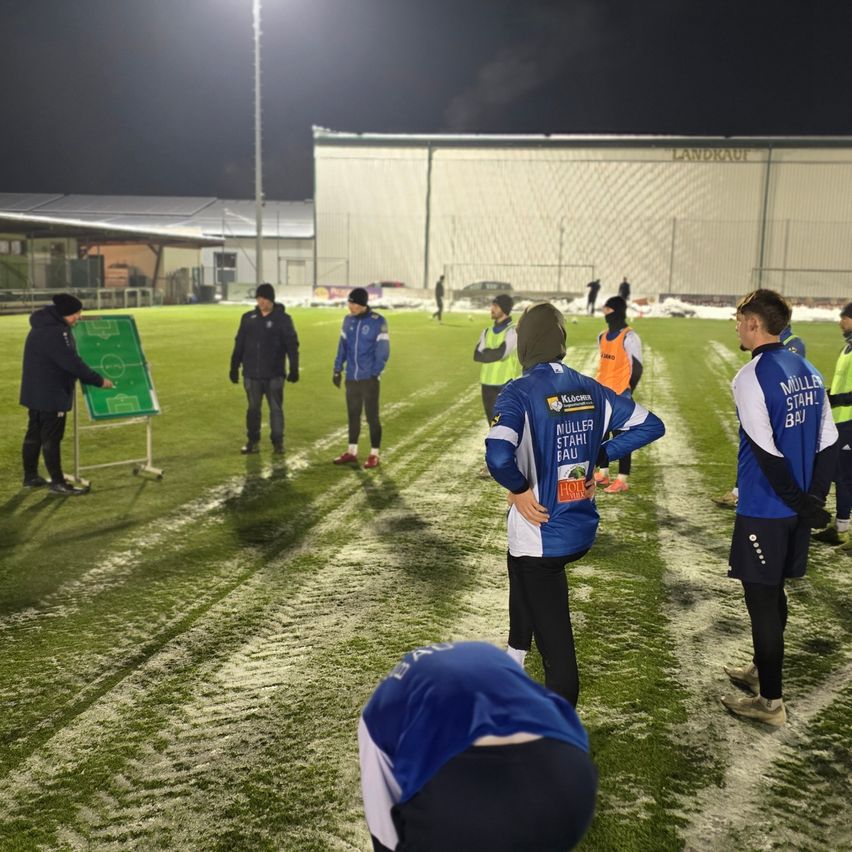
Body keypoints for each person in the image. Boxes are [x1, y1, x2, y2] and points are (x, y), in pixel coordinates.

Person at [485, 303, 664, 705]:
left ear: (525, 343)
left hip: (543, 530)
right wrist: (601, 455)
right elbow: (651, 424)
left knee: (558, 648)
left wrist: (517, 488)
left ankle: (560, 741)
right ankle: (514, 656)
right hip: (578, 526)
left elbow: (498, 454)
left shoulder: (519, 390)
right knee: (520, 566)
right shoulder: (590, 387)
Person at [721, 289, 837, 727]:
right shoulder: (806, 367)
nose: (736, 327)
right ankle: (761, 668)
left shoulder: (750, 376)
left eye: (739, 320)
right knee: (775, 593)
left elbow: (766, 453)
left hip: (767, 509)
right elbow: (828, 441)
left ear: (754, 323)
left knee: (762, 600)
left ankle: (770, 702)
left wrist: (800, 504)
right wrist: (812, 501)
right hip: (796, 509)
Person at [359, 641, 597, 852]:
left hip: (468, 799)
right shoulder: (488, 655)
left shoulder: (378, 709)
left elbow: (384, 828)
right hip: (570, 777)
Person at [20, 293, 114, 496]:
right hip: (51, 394)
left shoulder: (39, 327)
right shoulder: (57, 333)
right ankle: (58, 483)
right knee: (51, 438)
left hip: (34, 393)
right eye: (76, 313)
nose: (78, 317)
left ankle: (30, 477)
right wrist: (99, 380)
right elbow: (72, 363)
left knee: (34, 434)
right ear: (65, 313)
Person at [713, 322, 809, 509]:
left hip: (776, 409)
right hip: (765, 404)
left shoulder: (793, 343)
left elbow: (787, 374)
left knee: (769, 452)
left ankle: (782, 496)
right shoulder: (769, 341)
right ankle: (738, 491)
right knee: (749, 449)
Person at [229, 283, 300, 455]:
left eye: (265, 299)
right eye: (259, 298)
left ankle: (278, 443)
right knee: (253, 410)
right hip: (252, 373)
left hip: (274, 374)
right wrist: (234, 366)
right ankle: (252, 441)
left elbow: (292, 345)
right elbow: (239, 343)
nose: (261, 302)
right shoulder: (248, 318)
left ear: (272, 300)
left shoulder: (283, 319)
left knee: (275, 409)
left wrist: (294, 368)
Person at [332, 287, 390, 469]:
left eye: (354, 303)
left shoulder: (377, 321)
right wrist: (337, 369)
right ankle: (352, 451)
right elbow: (342, 347)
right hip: (351, 377)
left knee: (372, 417)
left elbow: (383, 350)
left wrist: (375, 373)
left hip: (369, 379)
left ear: (363, 304)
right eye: (349, 303)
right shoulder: (347, 320)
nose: (351, 306)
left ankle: (374, 454)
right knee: (353, 415)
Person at [811, 301, 852, 549]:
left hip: (849, 421)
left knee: (846, 478)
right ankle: (840, 526)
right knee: (840, 476)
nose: (841, 322)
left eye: (845, 317)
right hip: (839, 421)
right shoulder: (846, 348)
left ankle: (843, 529)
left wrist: (836, 399)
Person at [593, 296, 644, 494]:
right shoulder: (602, 336)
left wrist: (628, 390)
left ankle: (622, 479)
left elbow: (637, 367)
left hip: (620, 395)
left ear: (617, 311)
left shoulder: (630, 337)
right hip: (602, 393)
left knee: (622, 437)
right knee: (602, 434)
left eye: (608, 310)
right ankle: (603, 473)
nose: (606, 314)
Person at [473, 294, 521, 425]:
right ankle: (496, 445)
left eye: (495, 306)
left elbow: (501, 353)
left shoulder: (512, 331)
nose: (491, 309)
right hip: (487, 385)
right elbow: (476, 355)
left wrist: (487, 352)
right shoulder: (487, 332)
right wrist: (491, 353)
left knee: (503, 424)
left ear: (504, 308)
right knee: (493, 423)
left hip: (504, 385)